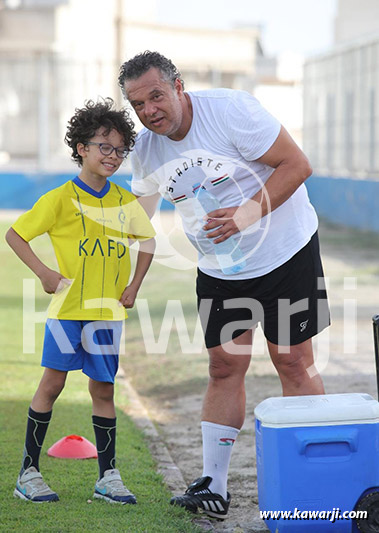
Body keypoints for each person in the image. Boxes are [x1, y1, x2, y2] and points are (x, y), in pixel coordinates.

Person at [118, 51, 330, 519]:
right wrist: (114, 274)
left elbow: (296, 164)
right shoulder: (147, 150)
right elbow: (139, 223)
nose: (150, 110)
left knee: (292, 361)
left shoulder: (231, 110)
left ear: (178, 85)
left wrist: (245, 214)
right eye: (138, 104)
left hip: (286, 252)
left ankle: (316, 479)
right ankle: (213, 484)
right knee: (222, 367)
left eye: (156, 95)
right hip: (222, 270)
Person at [6, 98, 155, 504]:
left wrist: (134, 286)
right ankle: (28, 474)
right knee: (52, 384)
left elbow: (148, 242)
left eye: (120, 149)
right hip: (68, 312)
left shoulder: (125, 203)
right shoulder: (58, 199)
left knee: (104, 390)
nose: (112, 155)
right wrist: (44, 273)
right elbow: (15, 235)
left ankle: (108, 477)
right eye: (104, 146)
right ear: (81, 149)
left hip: (107, 316)